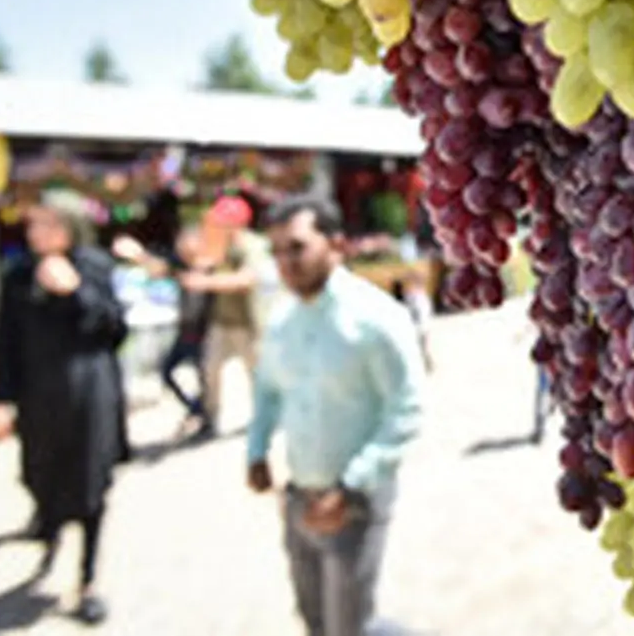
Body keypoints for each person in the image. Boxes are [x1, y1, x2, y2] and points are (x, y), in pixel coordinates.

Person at [245, 194, 425, 636]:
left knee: (349, 625)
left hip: (355, 503)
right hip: (299, 499)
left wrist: (349, 487)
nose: (285, 262)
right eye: (277, 251)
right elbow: (268, 389)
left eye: (297, 247)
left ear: (337, 245)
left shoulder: (377, 317)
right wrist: (257, 450)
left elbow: (406, 409)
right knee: (314, 620)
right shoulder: (283, 318)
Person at [0, 191, 130, 625]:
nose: (37, 233)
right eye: (33, 225)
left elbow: (114, 329)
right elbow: (5, 341)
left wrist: (75, 292)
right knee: (39, 472)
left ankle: (85, 580)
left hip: (90, 395)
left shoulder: (95, 267)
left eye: (47, 224)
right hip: (38, 397)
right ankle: (48, 524)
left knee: (90, 484)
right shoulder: (17, 275)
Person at [112, 227, 213, 438]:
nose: (183, 247)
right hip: (186, 331)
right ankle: (197, 410)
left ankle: (205, 417)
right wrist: (138, 255)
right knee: (168, 372)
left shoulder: (211, 266)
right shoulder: (180, 267)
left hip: (206, 331)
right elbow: (157, 269)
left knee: (205, 378)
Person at [183, 195, 264, 434]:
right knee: (210, 369)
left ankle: (264, 420)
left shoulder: (252, 245)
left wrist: (207, 282)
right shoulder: (219, 245)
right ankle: (210, 417)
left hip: (248, 323)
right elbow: (197, 261)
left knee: (257, 375)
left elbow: (247, 279)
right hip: (221, 321)